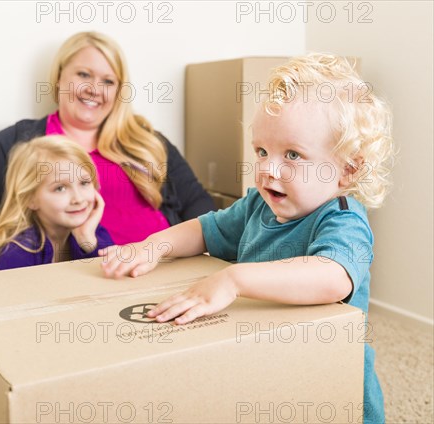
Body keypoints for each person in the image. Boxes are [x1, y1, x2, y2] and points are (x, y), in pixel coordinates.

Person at [100, 53, 394, 424]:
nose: (268, 169)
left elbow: (331, 276)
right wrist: (152, 246)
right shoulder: (258, 204)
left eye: (292, 155)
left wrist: (234, 279)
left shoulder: (344, 220)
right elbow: (205, 228)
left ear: (347, 170)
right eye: (261, 151)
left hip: (334, 389)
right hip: (267, 368)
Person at [0, 31, 214, 247]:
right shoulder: (26, 143)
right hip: (83, 281)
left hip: (165, 271)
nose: (94, 89)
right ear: (59, 78)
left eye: (108, 81)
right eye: (84, 75)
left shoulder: (147, 141)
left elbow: (199, 206)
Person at [0, 136, 113, 272]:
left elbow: (110, 281)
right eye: (60, 188)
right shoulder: (18, 253)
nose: (78, 199)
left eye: (84, 183)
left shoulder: (93, 232)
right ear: (30, 199)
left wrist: (87, 240)